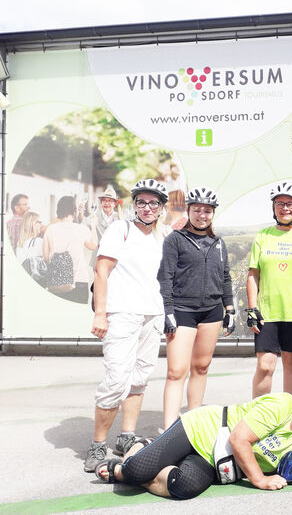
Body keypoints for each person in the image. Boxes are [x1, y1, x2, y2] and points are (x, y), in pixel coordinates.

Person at [94, 381, 292, 498]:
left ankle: (151, 465)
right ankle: (135, 456)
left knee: (183, 487)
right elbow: (238, 440)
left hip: (217, 460)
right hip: (202, 429)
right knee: (136, 469)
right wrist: (259, 479)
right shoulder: (282, 404)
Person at [85, 179, 169, 473]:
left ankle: (126, 436)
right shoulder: (120, 229)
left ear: (161, 207)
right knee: (116, 379)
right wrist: (100, 313)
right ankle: (97, 444)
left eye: (153, 203)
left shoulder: (161, 236)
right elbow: (101, 271)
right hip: (122, 313)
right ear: (134, 205)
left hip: (152, 314)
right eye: (142, 202)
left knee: (140, 376)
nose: (147, 208)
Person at [157, 187, 235, 431]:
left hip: (211, 311)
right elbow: (165, 277)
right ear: (189, 211)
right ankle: (169, 428)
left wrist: (230, 309)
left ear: (213, 213)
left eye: (208, 211)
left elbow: (225, 277)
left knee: (201, 368)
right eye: (198, 210)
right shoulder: (175, 240)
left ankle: (193, 423)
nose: (202, 215)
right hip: (182, 310)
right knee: (176, 371)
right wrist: (168, 310)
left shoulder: (218, 243)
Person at [247, 182, 292, 398]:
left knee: (291, 362)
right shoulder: (263, 235)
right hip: (267, 311)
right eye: (280, 203)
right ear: (273, 207)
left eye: (290, 203)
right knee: (265, 365)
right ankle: (258, 416)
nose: (285, 208)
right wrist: (252, 308)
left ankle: (288, 414)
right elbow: (253, 274)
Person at [42, 195, 98, 302]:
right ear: (74, 211)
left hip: (56, 282)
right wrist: (93, 226)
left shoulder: (50, 229)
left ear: (58, 210)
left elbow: (46, 258)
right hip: (79, 281)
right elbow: (93, 245)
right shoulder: (81, 229)